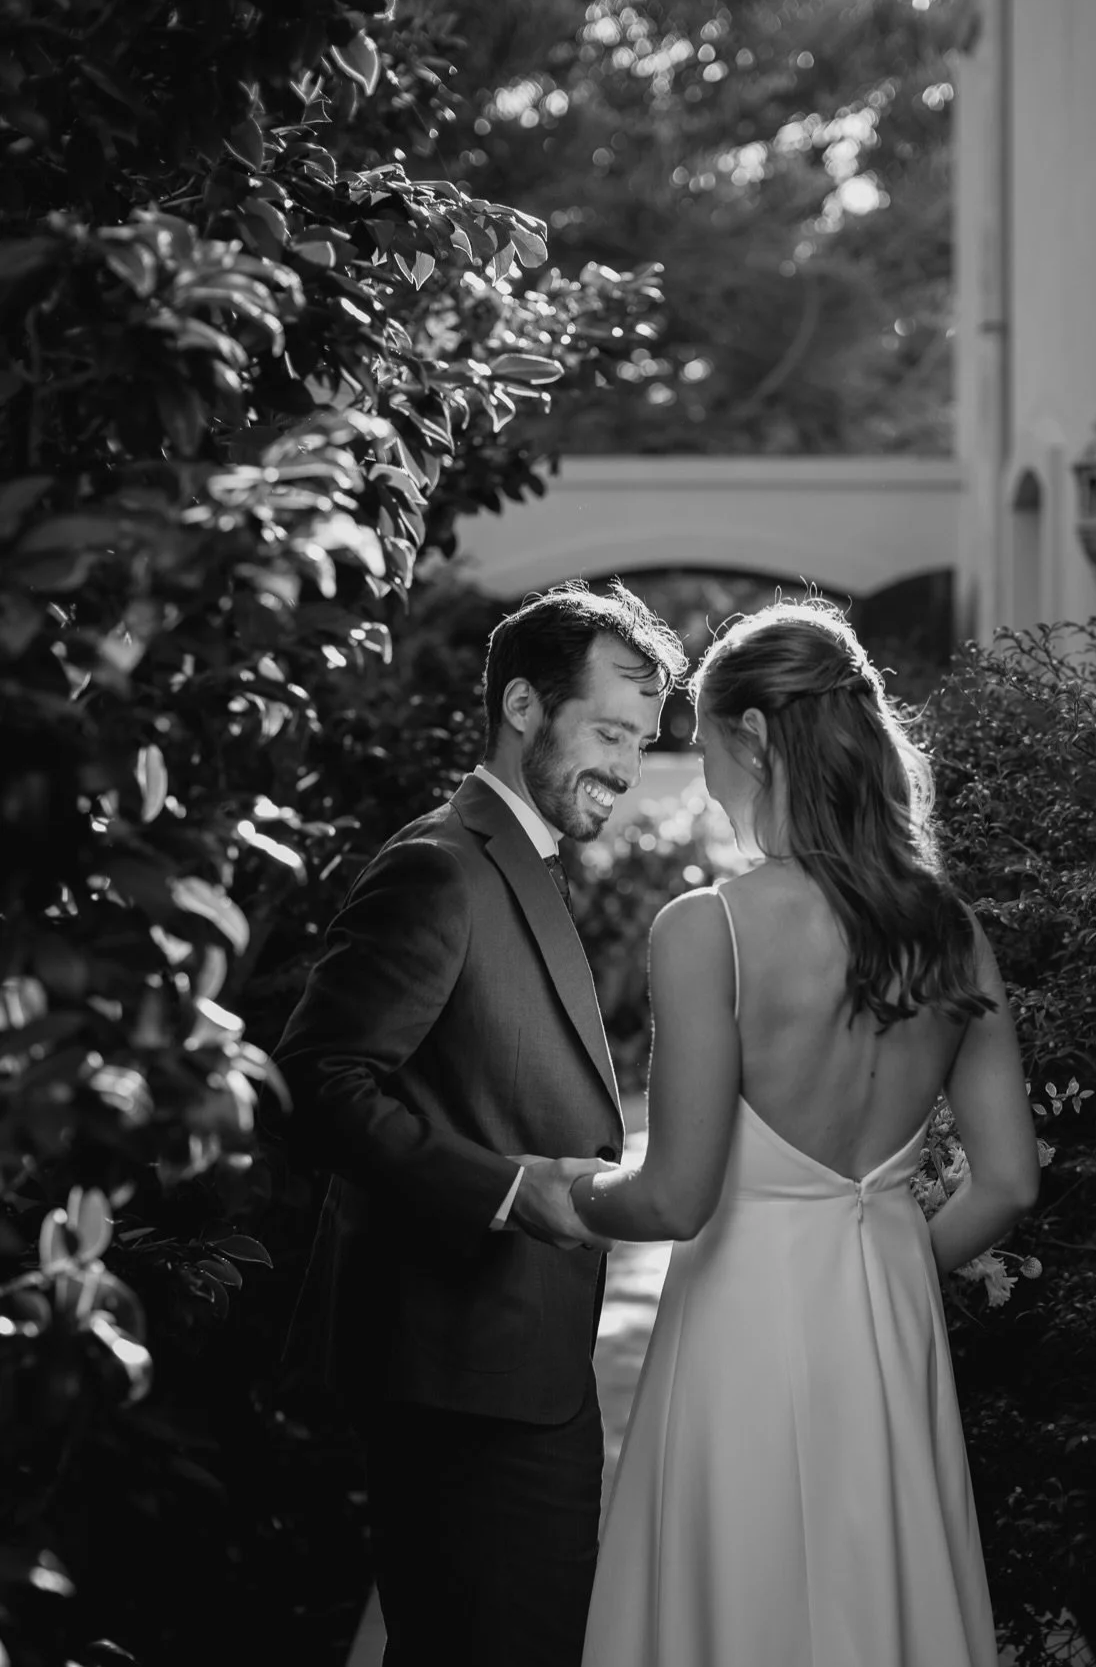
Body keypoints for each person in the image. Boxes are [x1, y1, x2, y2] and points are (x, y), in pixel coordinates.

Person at [561, 598, 1040, 1667]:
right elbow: (1007, 1180)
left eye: (699, 736)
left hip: (744, 1318)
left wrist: (558, 1193)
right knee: (881, 1597)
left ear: (755, 736)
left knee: (740, 1601)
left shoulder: (709, 929)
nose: (702, 770)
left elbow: (673, 1196)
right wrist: (882, 1257)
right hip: (885, 1313)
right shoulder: (948, 930)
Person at [275, 580, 686, 1667]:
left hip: (517, 1361)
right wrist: (507, 1189)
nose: (624, 765)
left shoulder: (527, 859)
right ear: (518, 706)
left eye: (638, 741)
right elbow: (318, 1080)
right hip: (451, 1368)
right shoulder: (438, 865)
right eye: (607, 730)